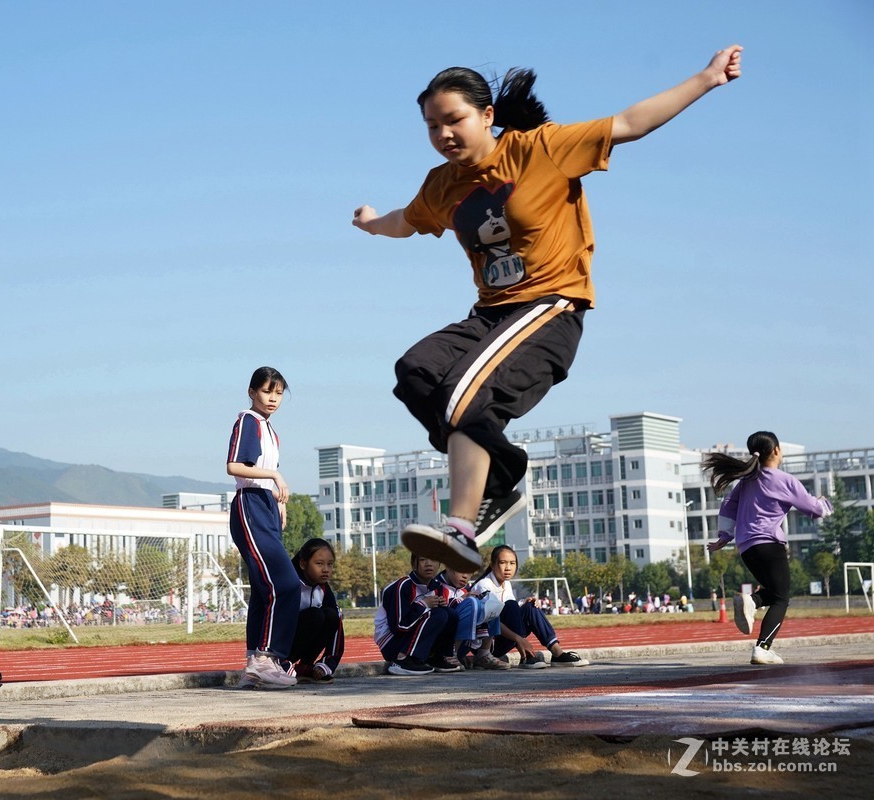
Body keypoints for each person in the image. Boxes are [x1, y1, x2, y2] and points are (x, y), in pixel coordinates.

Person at [353, 46, 744, 572]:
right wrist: (372, 221)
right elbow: (407, 219)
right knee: (416, 371)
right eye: (431, 126)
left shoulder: (541, 149)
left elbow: (629, 123)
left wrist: (706, 79)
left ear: (487, 115)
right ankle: (499, 476)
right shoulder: (442, 183)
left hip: (551, 308)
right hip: (491, 316)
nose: (444, 134)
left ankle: (464, 527)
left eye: (454, 120)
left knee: (462, 397)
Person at [704, 431, 832, 666]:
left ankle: (753, 605)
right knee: (782, 598)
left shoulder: (746, 482)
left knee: (774, 593)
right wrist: (824, 503)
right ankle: (762, 647)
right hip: (769, 545)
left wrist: (724, 536)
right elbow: (814, 510)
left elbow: (727, 506)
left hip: (746, 548)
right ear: (775, 450)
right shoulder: (784, 480)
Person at [227, 367, 298, 690]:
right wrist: (276, 477)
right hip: (250, 505)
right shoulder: (248, 421)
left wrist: (279, 503)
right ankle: (265, 658)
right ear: (252, 392)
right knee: (284, 583)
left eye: (279, 393)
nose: (273, 398)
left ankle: (255, 665)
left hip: (266, 507)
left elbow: (266, 470)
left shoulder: (270, 429)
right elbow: (234, 466)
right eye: (267, 391)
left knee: (264, 587)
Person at [472, 545, 590, 668]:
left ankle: (557, 653)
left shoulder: (506, 584)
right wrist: (519, 639)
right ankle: (526, 657)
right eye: (503, 563)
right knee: (512, 606)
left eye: (512, 563)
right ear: (492, 565)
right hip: (485, 645)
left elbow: (509, 615)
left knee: (531, 606)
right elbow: (491, 619)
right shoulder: (484, 585)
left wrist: (525, 606)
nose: (508, 568)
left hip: (501, 638)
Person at [373, 553, 456, 676]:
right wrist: (423, 605)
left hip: (409, 637)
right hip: (392, 643)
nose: (428, 564)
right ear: (413, 564)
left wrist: (440, 606)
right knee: (438, 614)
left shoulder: (436, 586)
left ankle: (435, 657)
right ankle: (403, 660)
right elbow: (399, 626)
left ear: (439, 564)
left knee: (450, 614)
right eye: (423, 559)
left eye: (434, 560)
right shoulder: (402, 586)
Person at [288, 538, 344, 682]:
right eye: (319, 564)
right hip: (284, 643)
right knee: (315, 615)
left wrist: (328, 664)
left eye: (330, 564)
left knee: (332, 615)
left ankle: (305, 666)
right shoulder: (289, 584)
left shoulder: (324, 588)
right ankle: (281, 663)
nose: (326, 569)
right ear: (302, 563)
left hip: (302, 638)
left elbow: (336, 623)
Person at [431, 565, 504, 670]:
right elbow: (440, 615)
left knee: (490, 602)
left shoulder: (466, 590)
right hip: (441, 646)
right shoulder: (436, 586)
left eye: (470, 572)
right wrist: (462, 600)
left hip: (464, 644)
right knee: (470, 603)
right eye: (461, 570)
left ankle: (484, 654)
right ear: (448, 567)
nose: (465, 576)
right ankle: (450, 655)